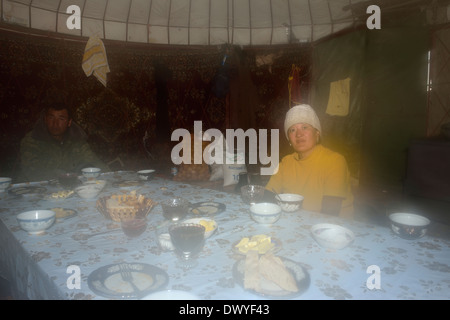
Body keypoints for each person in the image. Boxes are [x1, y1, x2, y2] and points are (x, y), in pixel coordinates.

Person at [265, 104, 354, 218]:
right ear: (289, 139)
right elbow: (268, 196)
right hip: (295, 223)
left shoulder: (334, 161)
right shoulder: (286, 162)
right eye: (292, 130)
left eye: (305, 127)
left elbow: (330, 213)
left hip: (334, 228)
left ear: (317, 133)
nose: (299, 134)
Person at [18, 103, 109, 182]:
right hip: (37, 189)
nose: (55, 123)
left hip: (70, 186)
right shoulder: (32, 140)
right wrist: (64, 176)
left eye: (61, 119)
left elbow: (94, 162)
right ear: (45, 120)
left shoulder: (77, 140)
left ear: (69, 122)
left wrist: (111, 176)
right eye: (51, 118)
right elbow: (33, 172)